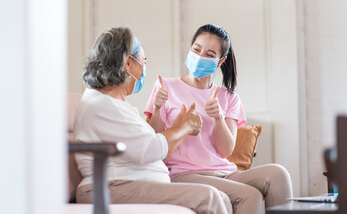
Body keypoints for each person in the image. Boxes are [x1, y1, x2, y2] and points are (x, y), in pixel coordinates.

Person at [74, 26, 232, 214]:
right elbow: (150, 149)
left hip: (125, 184)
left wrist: (178, 126)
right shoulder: (102, 105)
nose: (143, 69)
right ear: (127, 63)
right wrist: (185, 127)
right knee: (210, 197)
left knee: (220, 196)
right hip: (112, 187)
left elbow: (144, 144)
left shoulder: (113, 104)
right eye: (143, 61)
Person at [145, 23, 293, 214]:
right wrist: (157, 109)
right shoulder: (165, 87)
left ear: (220, 61)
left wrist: (219, 118)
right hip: (184, 174)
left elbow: (226, 150)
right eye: (196, 49)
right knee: (250, 195)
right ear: (190, 47)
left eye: (209, 54)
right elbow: (156, 143)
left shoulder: (229, 98)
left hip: (224, 172)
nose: (200, 57)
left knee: (278, 173)